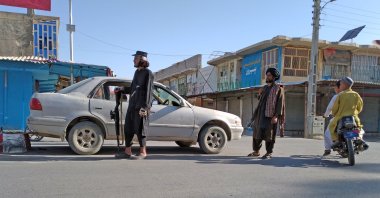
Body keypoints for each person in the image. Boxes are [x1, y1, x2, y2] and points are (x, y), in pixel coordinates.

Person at [119, 50, 154, 159]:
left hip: (141, 106)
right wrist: (123, 89)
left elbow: (149, 92)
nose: (133, 60)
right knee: (128, 128)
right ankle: (127, 151)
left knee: (140, 129)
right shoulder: (136, 73)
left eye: (136, 58)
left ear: (142, 60)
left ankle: (143, 152)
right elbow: (133, 89)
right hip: (132, 105)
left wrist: (145, 107)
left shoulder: (148, 73)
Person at [247, 67, 285, 159]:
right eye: (267, 75)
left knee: (269, 135)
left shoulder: (278, 88)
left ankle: (269, 153)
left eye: (269, 75)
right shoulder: (264, 88)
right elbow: (260, 99)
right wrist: (259, 94)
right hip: (260, 115)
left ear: (274, 77)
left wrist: (276, 116)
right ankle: (256, 151)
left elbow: (280, 103)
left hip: (270, 116)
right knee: (257, 133)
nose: (267, 77)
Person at [329, 77, 366, 149]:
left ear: (344, 85)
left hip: (340, 117)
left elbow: (335, 108)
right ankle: (359, 138)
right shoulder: (356, 94)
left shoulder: (340, 95)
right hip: (353, 117)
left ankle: (336, 140)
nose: (340, 86)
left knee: (331, 127)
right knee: (359, 128)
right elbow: (360, 107)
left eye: (341, 84)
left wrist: (334, 114)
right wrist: (356, 112)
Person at [322, 80, 341, 156]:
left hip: (338, 118)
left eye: (335, 87)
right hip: (352, 118)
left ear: (340, 87)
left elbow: (329, 108)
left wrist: (326, 115)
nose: (335, 89)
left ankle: (327, 149)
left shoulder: (337, 96)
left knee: (327, 133)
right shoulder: (354, 95)